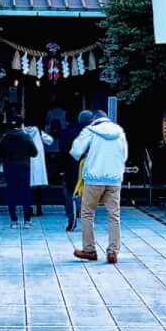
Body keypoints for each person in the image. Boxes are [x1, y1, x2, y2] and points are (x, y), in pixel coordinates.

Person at [70, 109, 128, 264]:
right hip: (114, 179)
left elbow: (75, 152)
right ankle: (113, 251)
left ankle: (89, 250)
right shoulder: (119, 131)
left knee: (88, 213)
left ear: (93, 119)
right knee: (114, 215)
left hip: (94, 179)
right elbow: (124, 155)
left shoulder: (90, 131)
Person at [0, 115, 38, 228]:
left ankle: (13, 221)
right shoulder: (26, 137)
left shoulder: (5, 137)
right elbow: (34, 152)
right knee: (26, 192)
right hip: (24, 166)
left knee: (11, 192)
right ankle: (27, 220)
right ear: (21, 124)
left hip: (9, 166)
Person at [59, 110, 93, 231]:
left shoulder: (67, 132)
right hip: (90, 166)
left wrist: (61, 168)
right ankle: (87, 220)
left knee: (70, 193)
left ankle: (72, 219)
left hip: (71, 166)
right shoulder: (93, 133)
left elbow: (62, 151)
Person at [24, 120, 53, 217]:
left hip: (26, 162)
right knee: (38, 189)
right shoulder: (38, 131)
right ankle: (39, 209)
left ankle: (28, 209)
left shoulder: (22, 131)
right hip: (38, 163)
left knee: (26, 188)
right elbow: (50, 141)